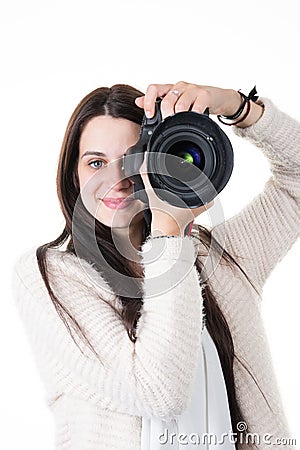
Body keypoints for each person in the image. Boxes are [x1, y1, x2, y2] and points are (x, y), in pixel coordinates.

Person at [12, 82, 299, 450]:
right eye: (96, 162)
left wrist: (234, 105)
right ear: (74, 174)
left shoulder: (219, 261)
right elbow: (160, 393)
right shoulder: (51, 276)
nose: (116, 180)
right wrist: (169, 231)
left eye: (133, 156)